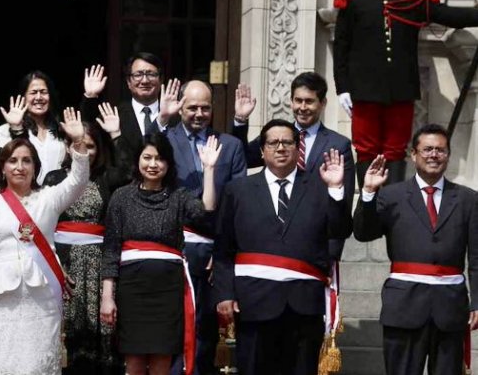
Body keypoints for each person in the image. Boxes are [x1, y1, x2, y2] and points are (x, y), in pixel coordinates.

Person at [333, 0, 478, 185]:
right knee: (366, 147)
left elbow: (448, 15)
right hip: (364, 89)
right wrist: (342, 87)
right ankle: (368, 208)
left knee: (395, 148)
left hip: (401, 87)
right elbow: (341, 48)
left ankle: (392, 206)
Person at [214, 119, 352, 375]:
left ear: (298, 148)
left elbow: (341, 230)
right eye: (273, 143)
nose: (280, 148)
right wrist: (224, 293)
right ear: (262, 150)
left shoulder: (321, 187)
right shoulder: (238, 190)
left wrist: (335, 189)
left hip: (303, 304)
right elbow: (223, 248)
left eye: (287, 142)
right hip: (253, 302)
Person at [0, 108, 90, 375]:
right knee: (2, 366)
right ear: (3, 168)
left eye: (27, 161)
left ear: (35, 166)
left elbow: (78, 181)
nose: (20, 167)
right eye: (13, 161)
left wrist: (78, 143)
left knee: (38, 366)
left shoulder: (49, 198)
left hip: (41, 297)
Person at [353, 124, 478, 374]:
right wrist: (368, 193)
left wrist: (477, 301)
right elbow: (364, 233)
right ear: (413, 154)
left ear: (448, 155)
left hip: (450, 308)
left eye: (440, 150)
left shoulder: (468, 199)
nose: (434, 155)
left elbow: (476, 257)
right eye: (427, 149)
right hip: (404, 306)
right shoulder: (391, 195)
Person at [100, 132, 221, 375]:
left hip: (167, 291)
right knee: (133, 363)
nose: (153, 164)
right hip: (131, 290)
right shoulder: (121, 197)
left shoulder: (179, 196)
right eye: (147, 158)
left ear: (168, 164)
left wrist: (208, 170)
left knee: (161, 364)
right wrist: (107, 296)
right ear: (137, 161)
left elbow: (205, 211)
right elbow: (111, 249)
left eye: (159, 159)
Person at [159, 79, 246, 375]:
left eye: (205, 108)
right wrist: (162, 119)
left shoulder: (231, 146)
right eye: (192, 107)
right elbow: (142, 166)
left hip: (212, 253)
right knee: (174, 328)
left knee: (206, 333)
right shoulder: (165, 141)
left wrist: (221, 250)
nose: (198, 113)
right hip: (173, 250)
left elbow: (236, 203)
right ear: (180, 107)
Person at [43, 103, 130, 374]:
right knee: (65, 334)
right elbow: (43, 223)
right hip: (63, 265)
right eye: (80, 144)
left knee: (98, 335)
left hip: (96, 266)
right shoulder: (55, 178)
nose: (85, 151)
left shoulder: (107, 178)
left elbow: (130, 170)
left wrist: (116, 134)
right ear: (69, 147)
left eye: (91, 146)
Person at [232, 72, 355, 260]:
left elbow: (341, 204)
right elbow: (243, 159)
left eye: (309, 101)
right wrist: (240, 121)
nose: (302, 107)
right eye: (298, 101)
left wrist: (331, 255)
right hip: (272, 238)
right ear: (291, 102)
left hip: (314, 244)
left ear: (322, 104)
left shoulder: (338, 145)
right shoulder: (277, 136)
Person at [79, 53, 166, 157]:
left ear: (161, 80)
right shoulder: (113, 115)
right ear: (129, 82)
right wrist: (91, 95)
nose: (145, 80)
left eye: (151, 74)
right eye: (138, 75)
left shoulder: (174, 115)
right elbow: (88, 129)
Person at [0, 70, 67, 183]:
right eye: (33, 92)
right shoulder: (5, 130)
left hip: (57, 196)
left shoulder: (61, 129)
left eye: (43, 92)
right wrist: (15, 128)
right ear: (24, 97)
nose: (39, 97)